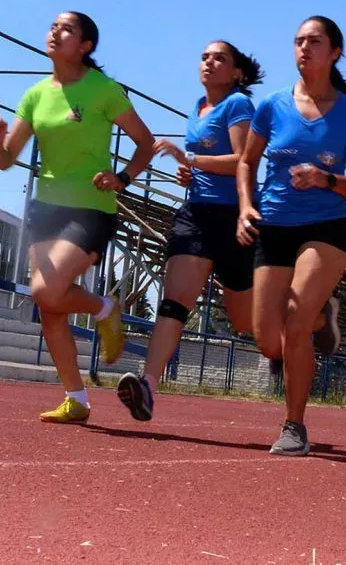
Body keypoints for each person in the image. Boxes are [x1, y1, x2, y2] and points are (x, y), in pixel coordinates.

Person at [0, 11, 154, 423]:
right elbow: (7, 159)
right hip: (46, 209)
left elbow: (146, 143)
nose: (54, 32)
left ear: (85, 46)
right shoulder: (36, 95)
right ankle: (76, 399)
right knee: (50, 306)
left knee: (45, 289)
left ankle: (103, 308)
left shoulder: (103, 90)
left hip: (91, 207)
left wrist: (123, 177)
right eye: (52, 26)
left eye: (66, 29)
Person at [117, 40, 277, 421]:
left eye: (220, 58)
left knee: (244, 322)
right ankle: (147, 385)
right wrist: (191, 172)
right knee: (174, 303)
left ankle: (297, 338)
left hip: (234, 217)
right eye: (205, 56)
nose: (209, 62)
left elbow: (244, 160)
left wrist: (190, 158)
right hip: (195, 215)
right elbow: (207, 163)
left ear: (237, 72)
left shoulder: (238, 104)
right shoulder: (197, 107)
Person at [236, 15, 346, 456]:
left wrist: (326, 178)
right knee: (265, 337)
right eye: (298, 41)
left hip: (327, 225)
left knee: (294, 323)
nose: (303, 48)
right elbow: (245, 162)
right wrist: (245, 206)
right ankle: (322, 316)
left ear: (334, 52)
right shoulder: (272, 106)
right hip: (274, 223)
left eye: (314, 41)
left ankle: (294, 426)